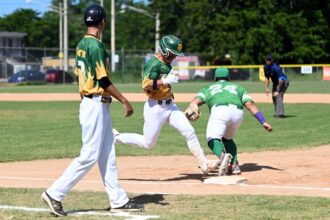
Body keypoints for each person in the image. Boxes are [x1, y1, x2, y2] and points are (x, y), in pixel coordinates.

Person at [41, 5, 144, 216]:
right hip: (95, 102)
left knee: (107, 153)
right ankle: (54, 194)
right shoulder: (96, 46)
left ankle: (118, 200)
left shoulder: (81, 43)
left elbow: (80, 77)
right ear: (103, 22)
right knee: (89, 154)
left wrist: (88, 99)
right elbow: (103, 80)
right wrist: (125, 100)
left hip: (94, 103)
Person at [114, 35, 218, 175]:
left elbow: (164, 87)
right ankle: (116, 138)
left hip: (170, 106)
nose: (174, 57)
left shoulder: (167, 63)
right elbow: (146, 86)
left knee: (189, 131)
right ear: (165, 50)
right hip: (155, 108)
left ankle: (204, 164)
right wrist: (165, 81)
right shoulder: (153, 63)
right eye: (172, 53)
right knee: (148, 143)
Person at [187, 67, 273, 175]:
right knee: (227, 139)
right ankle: (234, 165)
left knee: (212, 139)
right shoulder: (239, 88)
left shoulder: (207, 88)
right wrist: (263, 121)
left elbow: (195, 102)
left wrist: (191, 107)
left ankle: (223, 159)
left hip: (220, 111)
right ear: (229, 78)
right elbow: (250, 105)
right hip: (238, 114)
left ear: (214, 79)